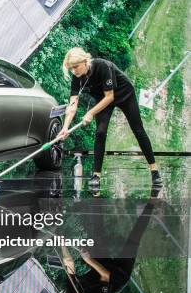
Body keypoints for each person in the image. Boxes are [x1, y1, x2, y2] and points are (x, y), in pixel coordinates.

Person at [58, 47, 162, 189]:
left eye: (76, 67)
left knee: (138, 130)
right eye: (71, 69)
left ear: (85, 61)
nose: (74, 71)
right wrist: (65, 128)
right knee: (100, 132)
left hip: (124, 94)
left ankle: (154, 170)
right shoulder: (77, 77)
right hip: (103, 99)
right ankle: (96, 175)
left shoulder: (102, 66)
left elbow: (110, 97)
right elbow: (72, 104)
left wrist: (90, 113)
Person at [58, 197, 157, 293]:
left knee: (96, 235)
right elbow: (106, 276)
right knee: (134, 238)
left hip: (101, 264)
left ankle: (95, 194)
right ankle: (152, 201)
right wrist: (88, 260)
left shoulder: (71, 292)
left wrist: (62, 244)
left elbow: (69, 264)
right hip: (118, 274)